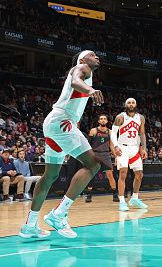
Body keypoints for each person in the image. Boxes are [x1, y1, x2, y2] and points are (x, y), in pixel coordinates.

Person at [19, 50, 103, 239]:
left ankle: (30, 225)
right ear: (83, 59)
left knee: (51, 174)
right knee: (93, 164)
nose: (97, 57)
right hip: (62, 122)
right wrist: (90, 91)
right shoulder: (81, 67)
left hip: (55, 123)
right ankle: (58, 214)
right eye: (93, 54)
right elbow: (75, 80)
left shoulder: (87, 73)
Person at [111, 98, 148, 212]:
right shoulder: (120, 117)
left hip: (135, 148)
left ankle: (135, 198)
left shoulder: (140, 118)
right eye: (129, 103)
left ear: (136, 105)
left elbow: (142, 133)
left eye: (133, 103)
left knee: (139, 175)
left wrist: (144, 148)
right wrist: (116, 146)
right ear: (125, 105)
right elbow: (113, 133)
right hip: (123, 148)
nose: (131, 104)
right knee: (123, 174)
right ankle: (122, 201)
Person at [85, 114, 118, 203]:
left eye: (104, 119)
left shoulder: (110, 132)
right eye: (101, 119)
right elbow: (88, 145)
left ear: (107, 121)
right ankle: (89, 195)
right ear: (99, 121)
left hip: (106, 155)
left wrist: (116, 156)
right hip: (95, 155)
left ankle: (115, 194)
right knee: (91, 175)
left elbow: (111, 145)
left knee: (110, 175)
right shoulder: (93, 131)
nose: (103, 120)